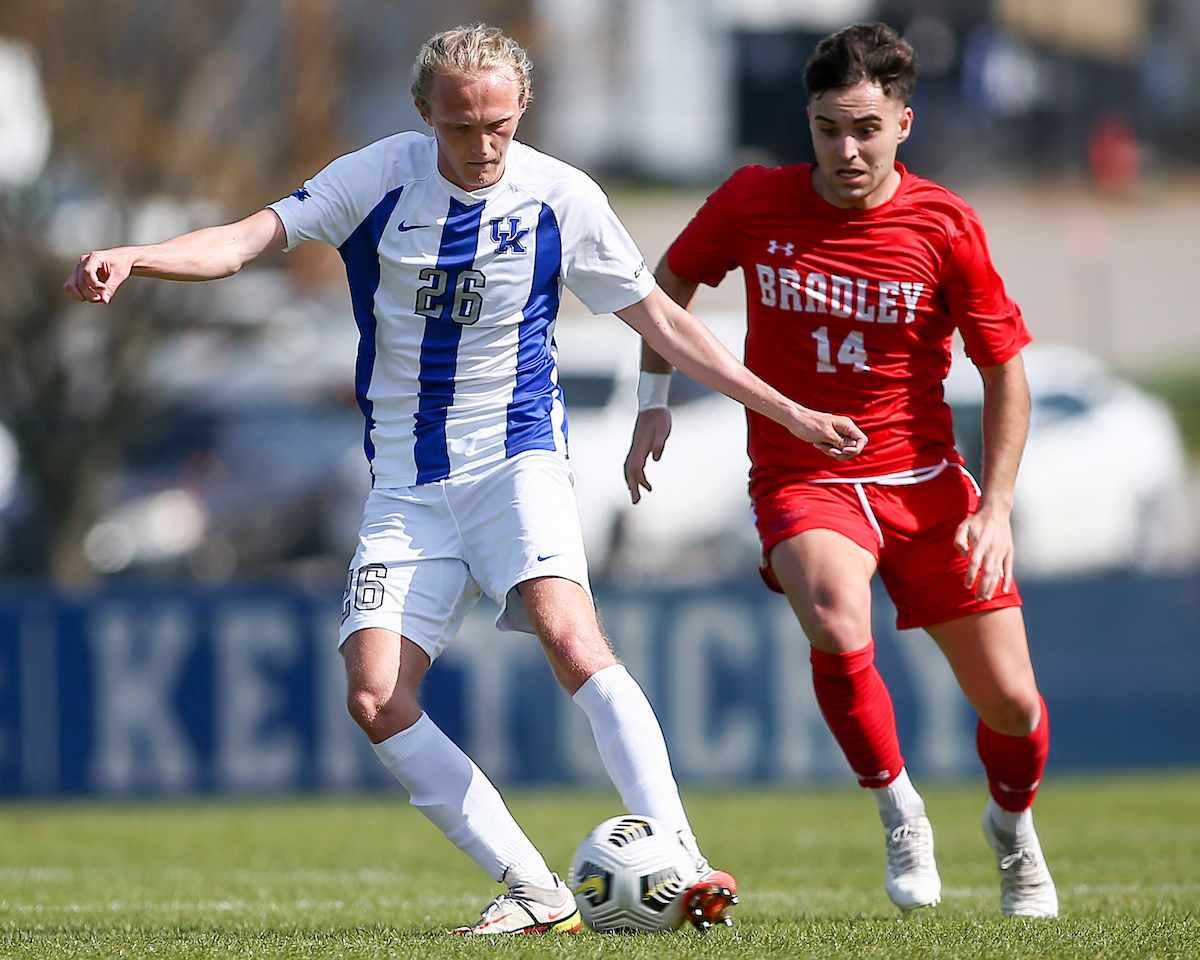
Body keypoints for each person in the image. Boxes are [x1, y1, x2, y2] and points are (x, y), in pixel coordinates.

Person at [65, 24, 866, 935]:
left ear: (522, 111)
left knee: (570, 633)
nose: (482, 147)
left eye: (498, 126)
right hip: (407, 487)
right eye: (460, 127)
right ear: (424, 115)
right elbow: (247, 239)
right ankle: (535, 890)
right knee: (372, 694)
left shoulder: (562, 196)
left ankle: (679, 857)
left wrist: (788, 410)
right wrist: (139, 256)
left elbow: (666, 323)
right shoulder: (376, 177)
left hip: (516, 461)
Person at [625, 22, 1057, 918]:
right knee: (830, 609)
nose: (846, 149)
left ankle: (1013, 829)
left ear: (904, 121)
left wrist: (1000, 504)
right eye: (828, 128)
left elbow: (1004, 365)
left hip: (927, 483)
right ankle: (899, 810)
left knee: (1013, 705)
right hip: (803, 474)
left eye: (865, 126)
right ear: (808, 123)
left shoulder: (944, 223)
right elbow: (666, 284)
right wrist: (651, 397)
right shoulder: (752, 200)